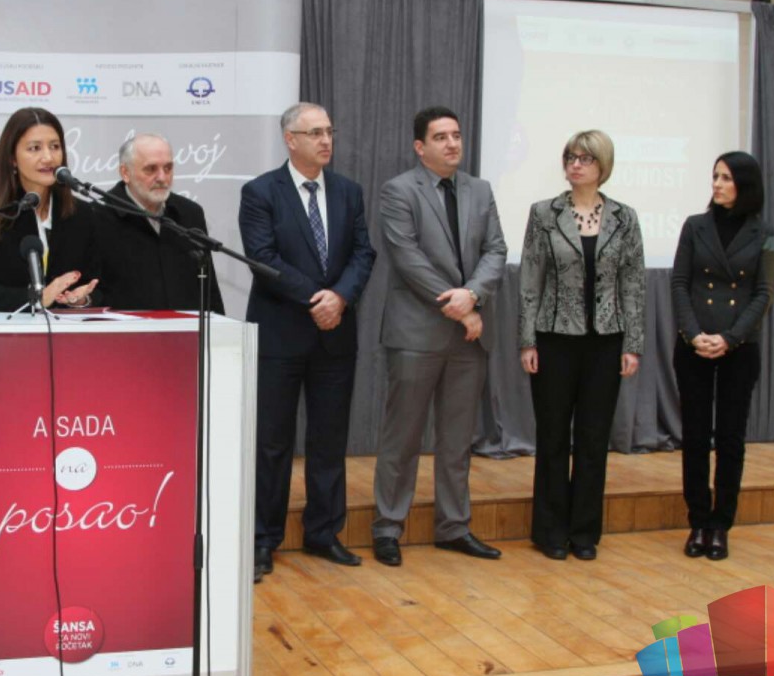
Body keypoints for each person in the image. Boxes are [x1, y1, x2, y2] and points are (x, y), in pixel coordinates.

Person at [239, 102, 375, 583]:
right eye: (314, 132)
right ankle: (263, 539)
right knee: (272, 443)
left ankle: (323, 532)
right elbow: (263, 258)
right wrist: (318, 298)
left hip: (335, 336)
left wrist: (340, 297)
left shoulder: (348, 191)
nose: (326, 140)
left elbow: (363, 253)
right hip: (280, 335)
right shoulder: (260, 192)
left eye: (329, 131)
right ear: (290, 139)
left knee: (328, 441)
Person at [371, 106, 507, 567]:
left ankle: (454, 527)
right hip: (416, 334)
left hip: (468, 337)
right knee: (403, 438)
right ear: (420, 147)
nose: (452, 143)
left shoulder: (480, 190)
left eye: (456, 135)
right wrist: (460, 306)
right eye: (441, 137)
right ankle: (388, 527)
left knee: (456, 440)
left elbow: (496, 250)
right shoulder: (398, 190)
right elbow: (407, 258)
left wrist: (473, 295)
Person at [518, 129, 645, 562]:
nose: (575, 164)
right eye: (570, 157)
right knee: (553, 437)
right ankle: (550, 531)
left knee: (593, 440)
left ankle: (584, 532)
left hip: (605, 343)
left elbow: (633, 284)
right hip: (554, 339)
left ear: (602, 165)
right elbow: (530, 280)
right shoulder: (544, 213)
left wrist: (633, 344)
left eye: (585, 158)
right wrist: (527, 340)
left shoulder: (625, 218)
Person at [670, 152, 774, 562]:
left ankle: (720, 525)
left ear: (745, 185)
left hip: (739, 349)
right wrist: (694, 334)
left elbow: (764, 293)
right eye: (715, 176)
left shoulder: (765, 233)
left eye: (726, 178)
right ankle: (698, 520)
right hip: (694, 345)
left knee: (730, 438)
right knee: (696, 435)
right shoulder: (694, 226)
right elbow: (680, 284)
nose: (717, 184)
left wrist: (729, 339)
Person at [0, 108, 99, 312]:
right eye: (34, 148)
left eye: (55, 147)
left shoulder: (82, 213)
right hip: (6, 330)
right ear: (12, 157)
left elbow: (100, 285)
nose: (48, 157)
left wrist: (82, 299)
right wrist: (36, 298)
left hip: (67, 330)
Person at [93, 133, 224, 313]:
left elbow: (209, 291)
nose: (162, 177)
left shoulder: (190, 213)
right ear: (125, 173)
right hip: (127, 329)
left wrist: (219, 327)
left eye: (168, 168)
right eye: (151, 169)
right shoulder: (97, 216)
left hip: (186, 329)